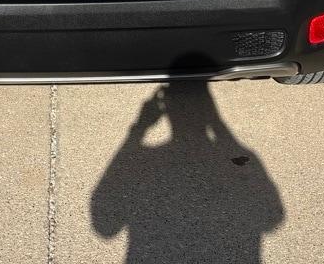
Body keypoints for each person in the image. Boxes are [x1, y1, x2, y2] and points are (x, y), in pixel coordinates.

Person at [91, 74, 285, 263]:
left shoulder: (148, 161)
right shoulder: (239, 156)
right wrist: (217, 125)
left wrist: (139, 129)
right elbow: (273, 218)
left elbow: (105, 226)